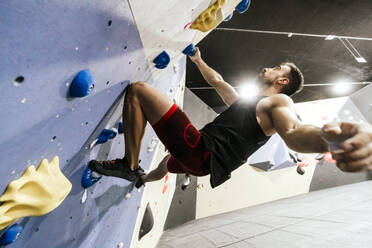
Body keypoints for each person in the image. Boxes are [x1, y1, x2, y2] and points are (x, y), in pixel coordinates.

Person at [88, 47, 368, 189]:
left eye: (275, 68)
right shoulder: (252, 104)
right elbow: (219, 82)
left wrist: (331, 139)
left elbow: (294, 132)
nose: (267, 67)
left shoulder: (278, 101)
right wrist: (197, 59)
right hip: (202, 165)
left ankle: (129, 165)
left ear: (282, 80)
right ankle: (141, 179)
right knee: (165, 164)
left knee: (138, 91)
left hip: (202, 152)